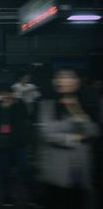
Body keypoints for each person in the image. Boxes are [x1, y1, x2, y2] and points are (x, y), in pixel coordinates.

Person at [38, 68, 99, 209]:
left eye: (70, 76)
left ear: (78, 81)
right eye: (61, 77)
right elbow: (48, 134)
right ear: (55, 82)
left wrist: (76, 109)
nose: (65, 80)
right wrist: (77, 138)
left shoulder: (86, 102)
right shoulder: (47, 104)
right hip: (57, 169)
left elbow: (94, 130)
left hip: (82, 168)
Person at [0, 83, 37, 207]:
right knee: (4, 171)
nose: (4, 96)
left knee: (25, 169)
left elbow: (23, 117)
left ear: (11, 93)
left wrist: (11, 106)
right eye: (2, 93)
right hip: (2, 143)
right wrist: (2, 108)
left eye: (7, 93)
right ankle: (7, 197)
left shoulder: (19, 103)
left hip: (18, 142)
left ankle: (33, 196)